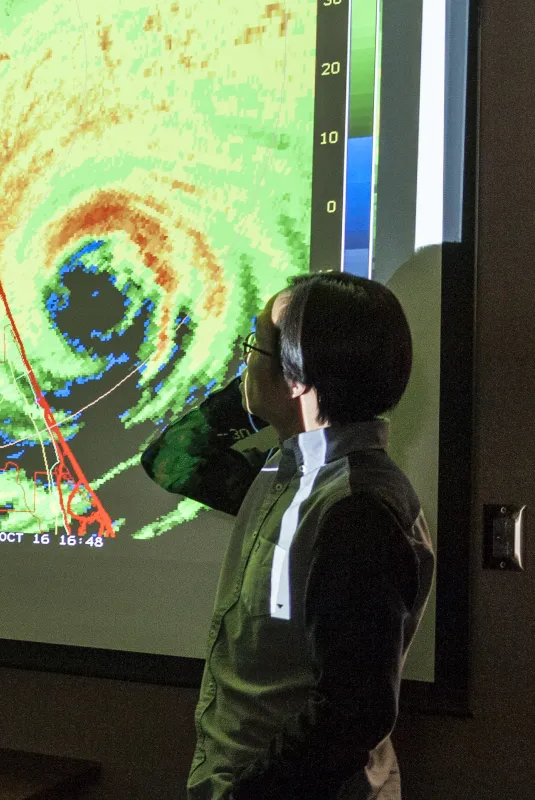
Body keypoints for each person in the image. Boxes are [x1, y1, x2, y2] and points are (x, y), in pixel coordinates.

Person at [141, 271, 435, 799]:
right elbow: (169, 458)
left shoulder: (355, 509)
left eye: (253, 346)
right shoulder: (286, 471)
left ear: (297, 375)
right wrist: (272, 386)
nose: (243, 359)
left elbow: (349, 717)